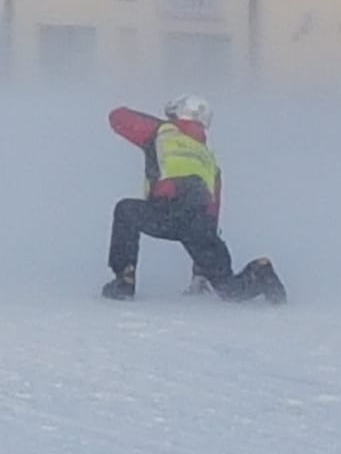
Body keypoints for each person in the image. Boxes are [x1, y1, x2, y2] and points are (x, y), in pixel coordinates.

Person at [102, 94, 286, 304]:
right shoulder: (207, 156)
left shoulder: (161, 131)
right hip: (200, 223)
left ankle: (124, 280)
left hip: (167, 212)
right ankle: (262, 273)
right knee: (230, 289)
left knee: (126, 211)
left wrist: (154, 124)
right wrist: (204, 260)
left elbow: (118, 117)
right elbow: (214, 207)